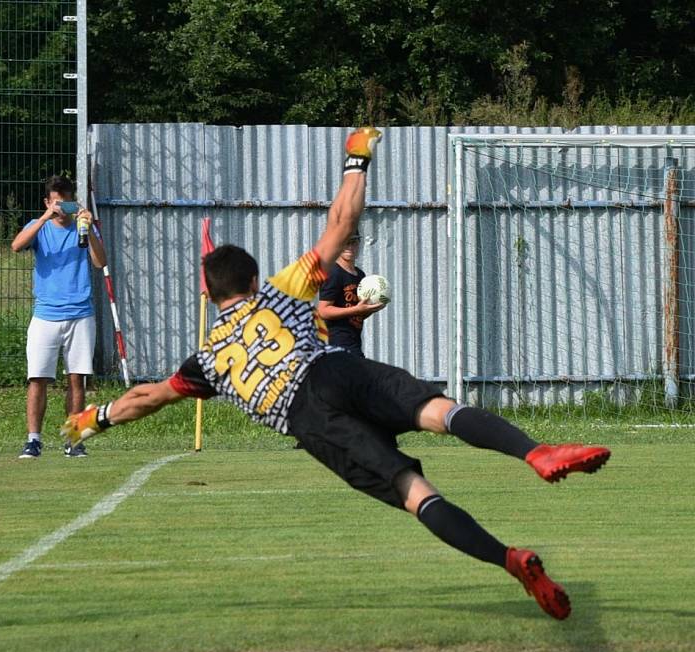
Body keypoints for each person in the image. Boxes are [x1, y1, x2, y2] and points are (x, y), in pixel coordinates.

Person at [61, 128, 610, 620]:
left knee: (416, 493)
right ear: (253, 279)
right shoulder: (280, 291)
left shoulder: (207, 361)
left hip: (311, 420)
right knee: (439, 411)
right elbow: (341, 223)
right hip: (334, 369)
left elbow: (148, 398)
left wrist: (95, 418)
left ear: (211, 294)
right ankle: (536, 453)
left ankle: (511, 561)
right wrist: (355, 159)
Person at [11, 174, 107, 459]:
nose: (61, 209)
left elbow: (101, 262)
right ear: (48, 202)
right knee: (37, 378)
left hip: (80, 314)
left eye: (65, 203)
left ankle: (74, 440)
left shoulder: (83, 227)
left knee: (77, 379)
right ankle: (33, 440)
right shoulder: (38, 227)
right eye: (56, 203)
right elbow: (16, 246)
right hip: (45, 315)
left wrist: (88, 229)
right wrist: (44, 218)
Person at [317, 230, 385, 358]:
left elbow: (356, 315)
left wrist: (370, 309)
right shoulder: (333, 272)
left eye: (353, 242)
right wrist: (356, 309)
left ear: (359, 244)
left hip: (353, 342)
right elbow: (323, 311)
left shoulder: (360, 275)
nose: (349, 247)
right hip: (337, 343)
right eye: (345, 242)